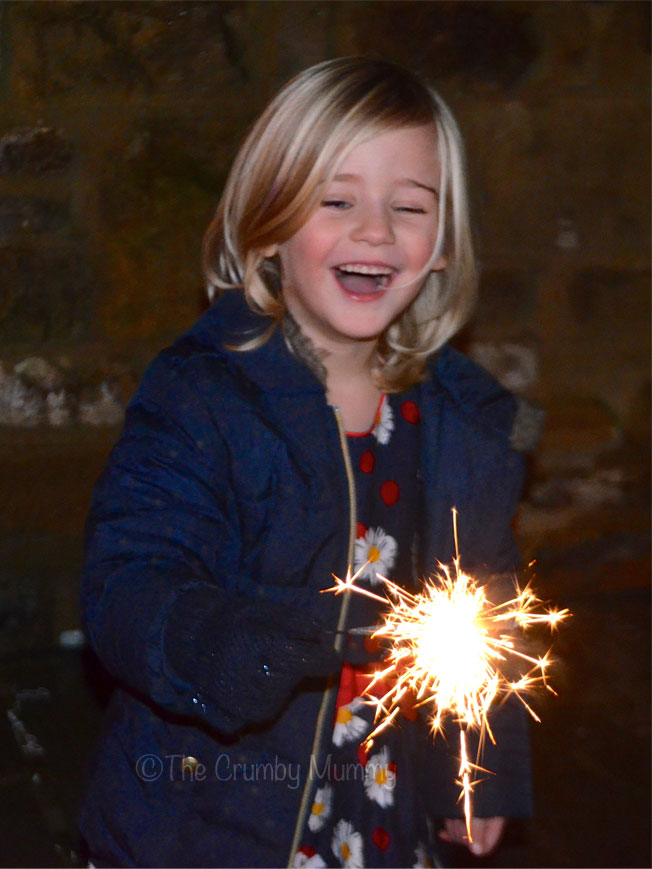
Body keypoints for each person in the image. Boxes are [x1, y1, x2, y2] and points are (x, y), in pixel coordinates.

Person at [79, 57, 540, 868]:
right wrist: (218, 639)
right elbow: (128, 580)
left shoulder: (459, 423)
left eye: (409, 206)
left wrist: (484, 768)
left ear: (439, 246)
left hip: (386, 800)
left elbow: (486, 607)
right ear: (267, 226)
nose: (376, 229)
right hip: (222, 809)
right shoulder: (205, 400)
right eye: (337, 201)